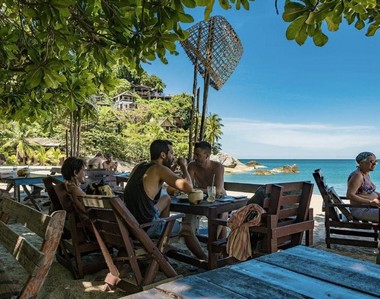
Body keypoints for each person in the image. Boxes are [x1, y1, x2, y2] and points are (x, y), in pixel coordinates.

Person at [123, 139, 207, 259]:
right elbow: (189, 187)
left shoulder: (139, 167)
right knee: (187, 227)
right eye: (171, 153)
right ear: (163, 155)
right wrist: (184, 166)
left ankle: (163, 243)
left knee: (166, 198)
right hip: (145, 227)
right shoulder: (159, 169)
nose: (173, 156)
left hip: (130, 224)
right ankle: (205, 259)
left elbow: (164, 177)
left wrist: (172, 167)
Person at [187, 141, 227, 238]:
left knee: (221, 217)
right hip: (201, 198)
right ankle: (192, 239)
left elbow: (217, 191)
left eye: (198, 155)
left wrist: (196, 189)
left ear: (207, 155)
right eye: (194, 154)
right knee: (189, 215)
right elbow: (188, 186)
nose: (195, 158)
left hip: (219, 199)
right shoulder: (192, 166)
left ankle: (216, 245)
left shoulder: (218, 167)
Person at [346, 151, 380, 222]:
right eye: (371, 161)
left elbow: (367, 192)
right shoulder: (357, 175)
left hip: (370, 207)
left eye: (375, 161)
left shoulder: (365, 174)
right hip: (361, 209)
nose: (374, 164)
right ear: (361, 163)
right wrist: (370, 202)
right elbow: (350, 195)